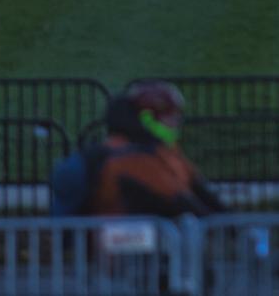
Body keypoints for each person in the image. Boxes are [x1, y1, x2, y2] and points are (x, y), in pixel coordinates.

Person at [50, 79, 223, 218]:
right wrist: (228, 226)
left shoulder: (162, 150)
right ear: (148, 119)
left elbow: (197, 188)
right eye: (170, 117)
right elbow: (178, 198)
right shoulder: (134, 156)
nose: (176, 123)